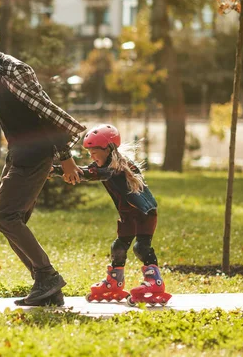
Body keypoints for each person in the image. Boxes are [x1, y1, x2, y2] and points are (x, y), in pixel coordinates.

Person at [0, 15, 87, 307]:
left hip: (37, 153)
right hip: (18, 154)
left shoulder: (16, 70)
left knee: (3, 216)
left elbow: (45, 113)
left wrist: (65, 157)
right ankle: (48, 290)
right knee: (14, 220)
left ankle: (47, 276)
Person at [51, 124, 171, 306]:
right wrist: (57, 170)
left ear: (108, 149)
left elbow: (94, 174)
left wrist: (65, 171)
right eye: (89, 152)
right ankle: (115, 282)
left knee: (141, 247)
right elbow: (85, 170)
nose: (91, 156)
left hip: (144, 214)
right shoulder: (105, 164)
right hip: (128, 215)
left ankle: (155, 283)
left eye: (94, 152)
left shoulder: (117, 167)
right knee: (118, 247)